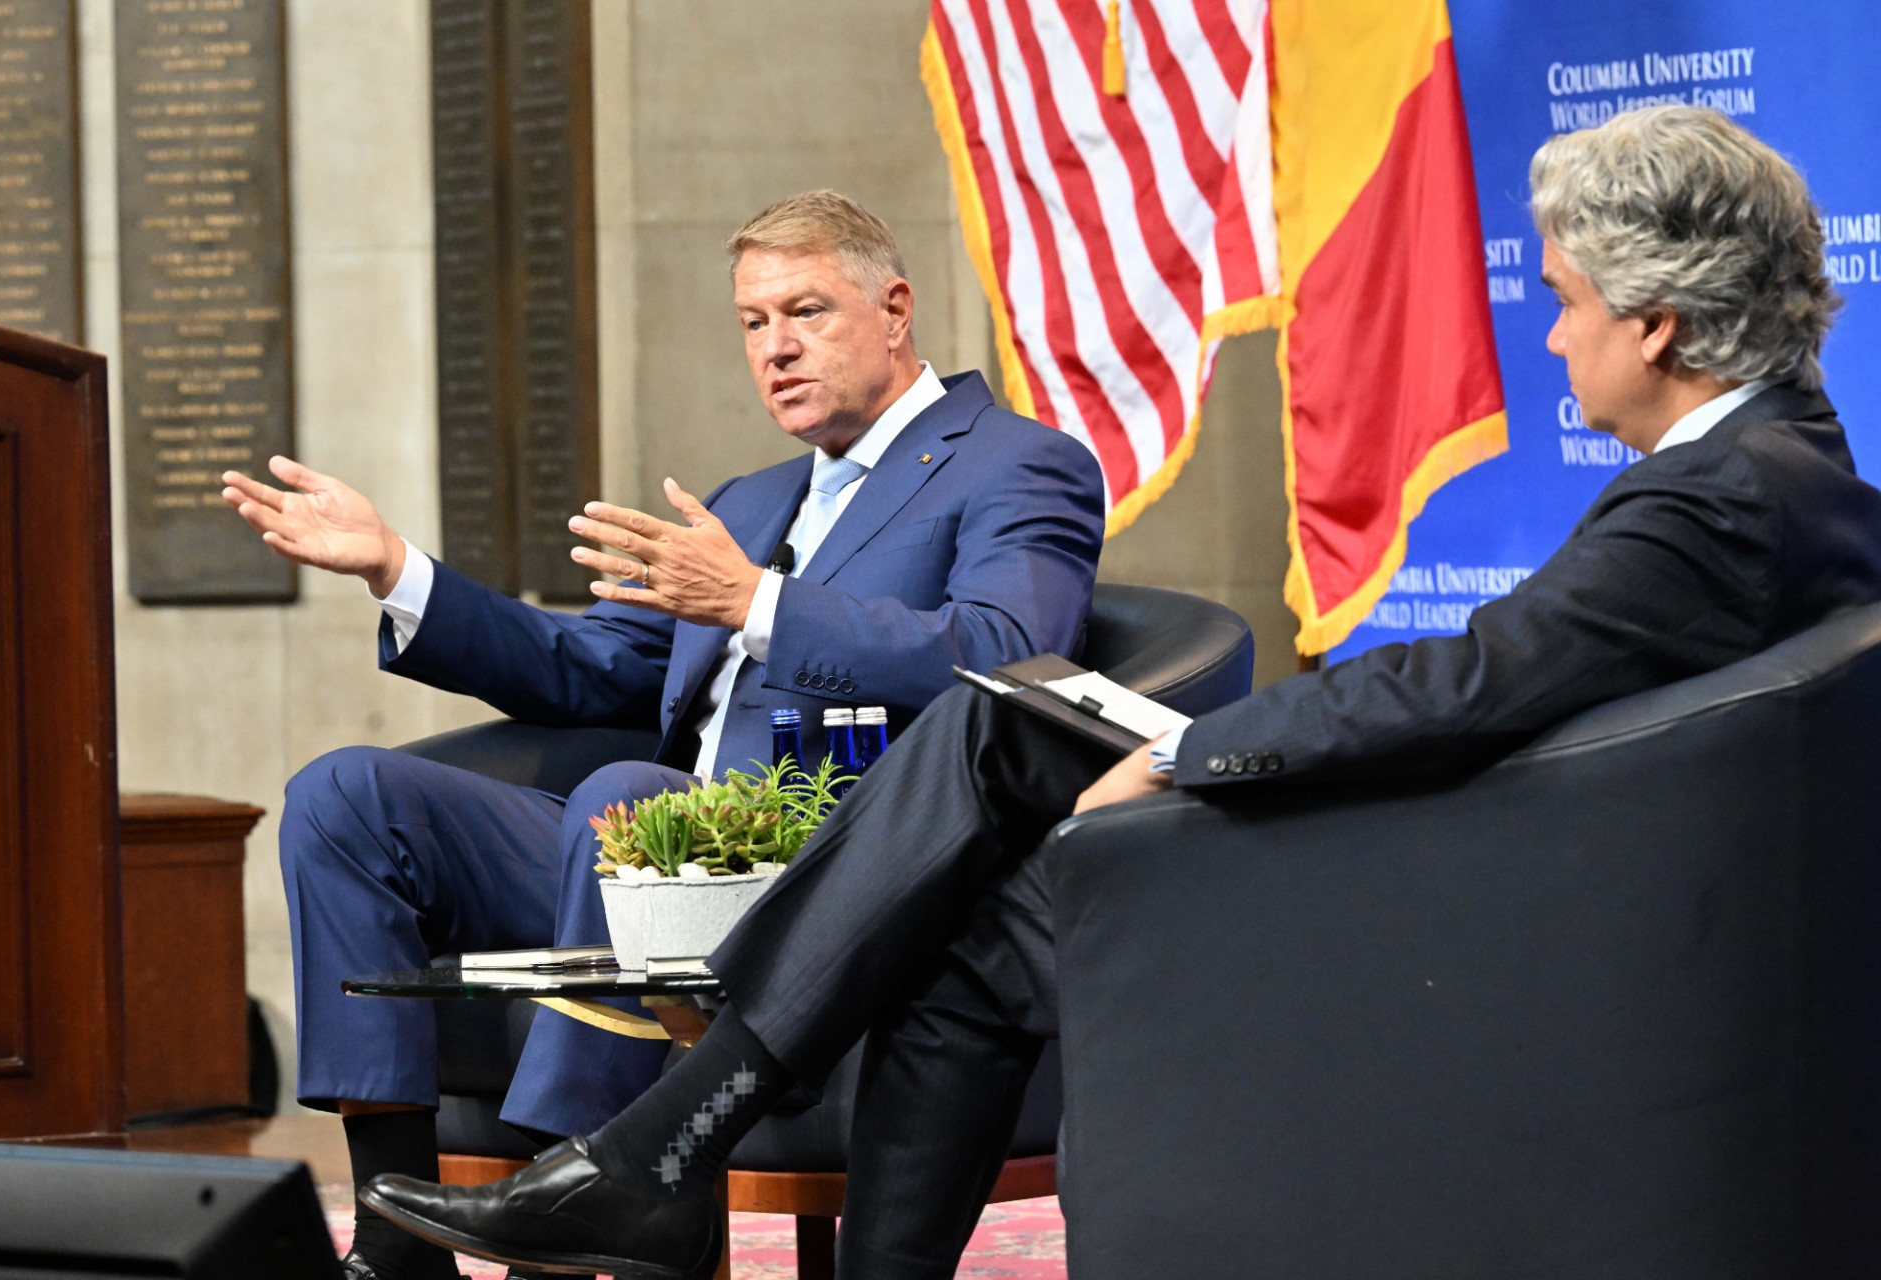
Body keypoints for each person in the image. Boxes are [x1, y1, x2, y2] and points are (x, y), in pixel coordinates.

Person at [359, 106, 1881, 1280]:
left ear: (1660, 324)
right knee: (978, 857)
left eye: (1561, 302)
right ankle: (682, 1160)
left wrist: (1196, 755)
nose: (1547, 335)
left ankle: (663, 1148)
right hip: (1504, 874)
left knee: (993, 719)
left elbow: (1471, 685)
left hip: (1462, 913)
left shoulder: (1716, 501)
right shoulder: (1789, 474)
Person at [221, 190, 1106, 1280]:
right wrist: (398, 569)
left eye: (807, 310)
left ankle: (585, 1193)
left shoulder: (1017, 461)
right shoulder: (749, 498)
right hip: (645, 853)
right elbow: (585, 666)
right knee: (347, 793)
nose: (775, 347)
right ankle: (399, 1249)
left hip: (835, 868)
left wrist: (761, 606)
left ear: (895, 308)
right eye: (752, 322)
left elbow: (1008, 654)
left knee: (629, 797)